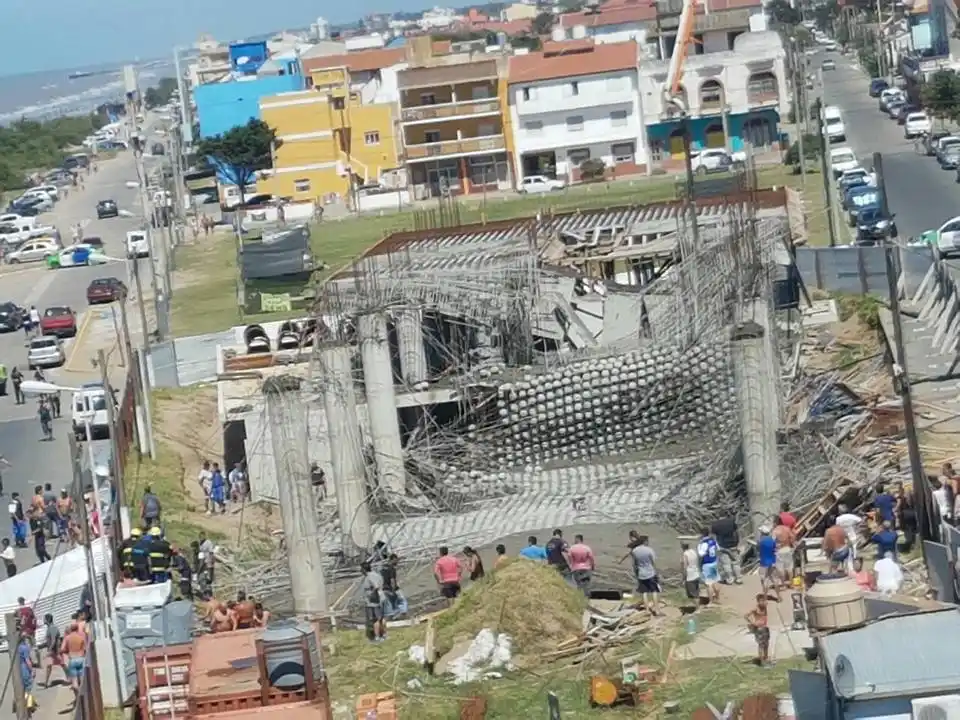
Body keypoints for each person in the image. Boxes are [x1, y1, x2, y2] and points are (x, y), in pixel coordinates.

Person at [632, 534, 660, 615]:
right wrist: (656, 572)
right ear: (645, 541)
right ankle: (657, 610)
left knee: (644, 592)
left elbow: (635, 564)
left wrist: (636, 573)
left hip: (641, 573)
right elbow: (653, 562)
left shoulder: (635, 551)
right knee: (654, 591)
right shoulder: (649, 550)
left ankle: (647, 610)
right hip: (650, 573)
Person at [710, 516, 742, 585]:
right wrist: (738, 543)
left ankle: (730, 579)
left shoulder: (715, 524)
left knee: (726, 564)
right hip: (733, 545)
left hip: (723, 546)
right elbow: (737, 532)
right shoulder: (731, 521)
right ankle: (739, 578)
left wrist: (717, 546)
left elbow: (713, 537)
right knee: (736, 562)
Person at [361, 561, 385, 643]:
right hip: (378, 599)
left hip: (372, 602)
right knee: (381, 618)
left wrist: (371, 595)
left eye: (361, 569)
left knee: (374, 620)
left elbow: (376, 586)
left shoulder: (370, 576)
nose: (360, 571)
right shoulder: (377, 575)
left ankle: (377, 637)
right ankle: (383, 635)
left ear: (364, 569)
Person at [744, 593, 771, 667]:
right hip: (759, 629)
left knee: (766, 644)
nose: (763, 602)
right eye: (761, 601)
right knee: (761, 645)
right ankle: (761, 660)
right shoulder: (755, 608)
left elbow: (767, 596)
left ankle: (765, 658)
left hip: (765, 628)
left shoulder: (765, 607)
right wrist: (752, 623)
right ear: (758, 601)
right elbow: (745, 616)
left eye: (764, 601)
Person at [61, 622, 87, 697]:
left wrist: (68, 651)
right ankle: (83, 696)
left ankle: (77, 696)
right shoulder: (81, 637)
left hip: (72, 660)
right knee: (82, 680)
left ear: (71, 629)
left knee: (74, 681)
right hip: (81, 659)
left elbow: (62, 649)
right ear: (77, 628)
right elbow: (85, 649)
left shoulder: (67, 638)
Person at [697, 528, 721, 604]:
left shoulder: (703, 544)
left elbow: (700, 554)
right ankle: (717, 597)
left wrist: (699, 546)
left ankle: (711, 601)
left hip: (707, 564)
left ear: (702, 534)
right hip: (714, 562)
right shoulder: (713, 541)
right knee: (715, 581)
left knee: (709, 584)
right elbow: (718, 549)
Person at [41, 614, 65, 689]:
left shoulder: (52, 628)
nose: (43, 620)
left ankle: (71, 678)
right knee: (49, 666)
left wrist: (50, 650)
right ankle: (46, 683)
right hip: (52, 650)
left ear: (47, 620)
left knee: (62, 664)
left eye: (44, 619)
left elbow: (54, 640)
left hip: (55, 651)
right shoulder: (49, 628)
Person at [757, 525, 779, 598]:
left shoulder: (761, 541)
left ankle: (765, 598)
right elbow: (775, 549)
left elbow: (758, 550)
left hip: (764, 563)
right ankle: (779, 596)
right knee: (774, 580)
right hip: (772, 562)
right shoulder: (772, 540)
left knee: (764, 580)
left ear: (762, 533)